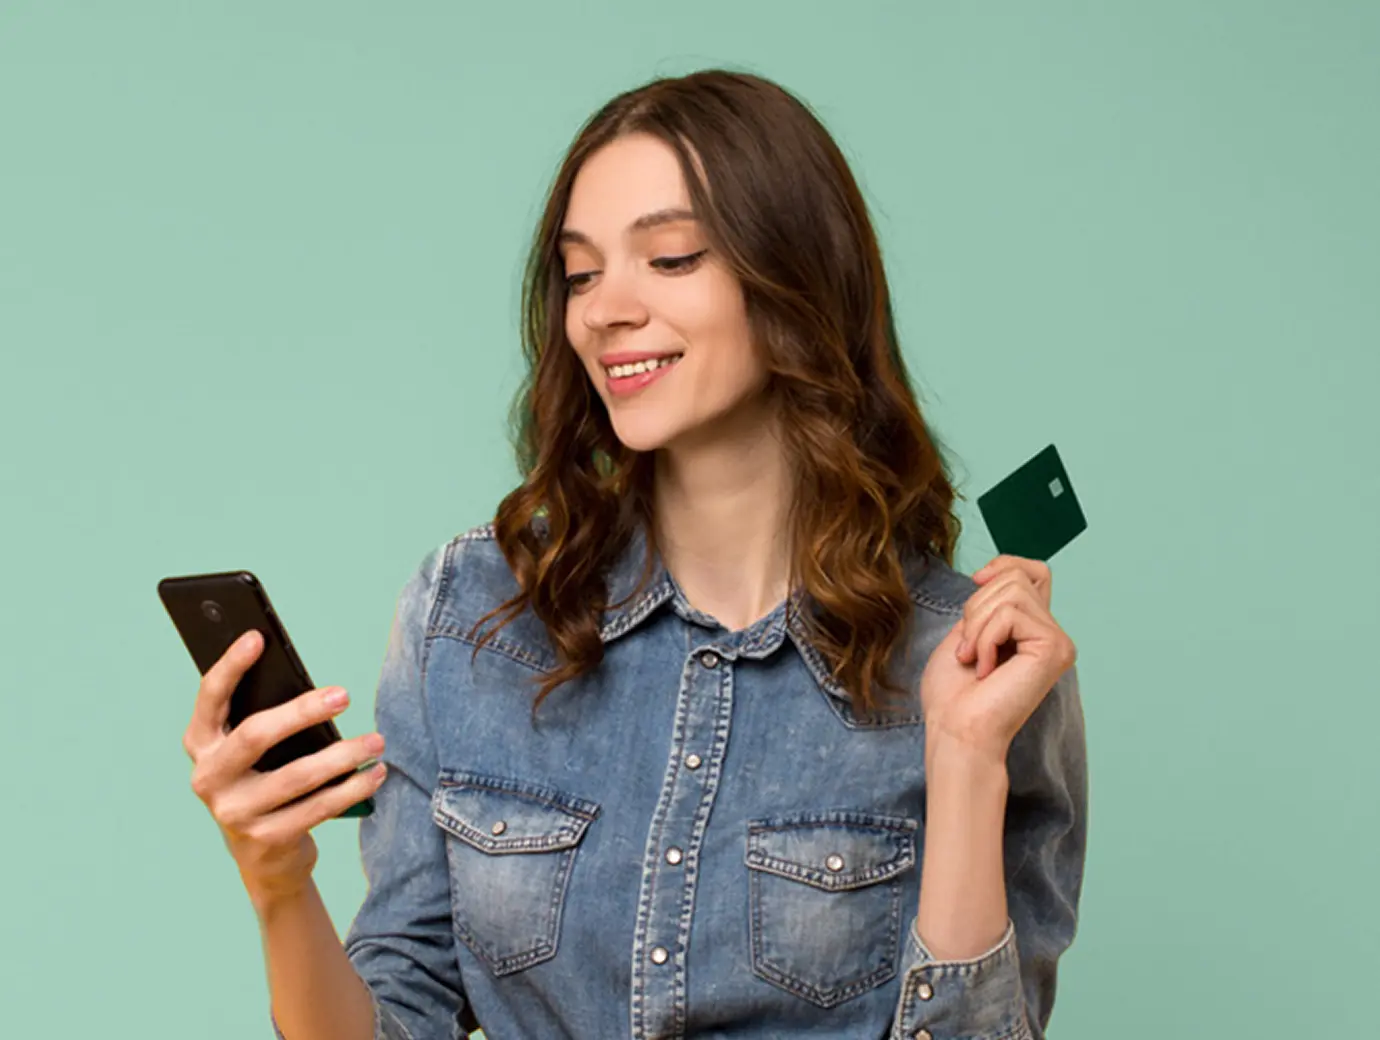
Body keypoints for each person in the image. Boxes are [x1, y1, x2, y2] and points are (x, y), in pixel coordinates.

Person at [182, 68, 1087, 1040]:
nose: (605, 308)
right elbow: (397, 1015)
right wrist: (277, 881)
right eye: (580, 272)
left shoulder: (969, 663)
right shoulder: (471, 608)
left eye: (669, 257)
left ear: (795, 282)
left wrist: (963, 757)